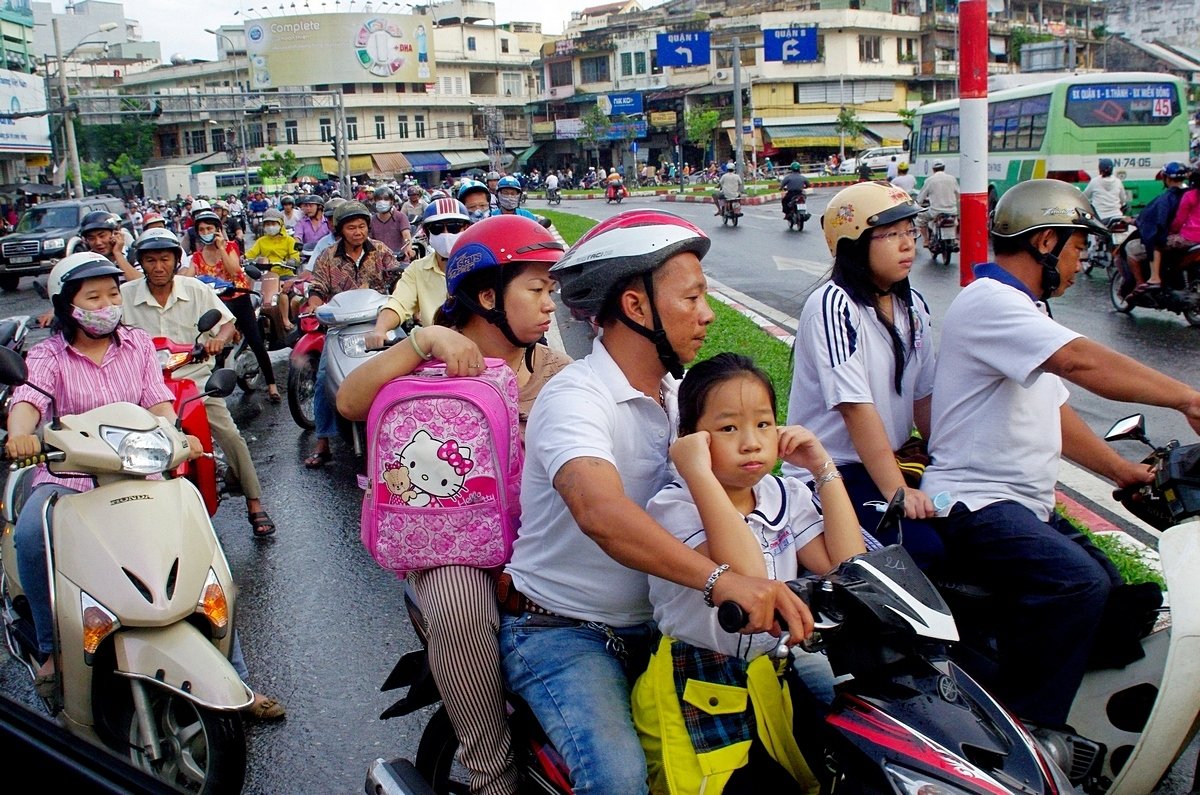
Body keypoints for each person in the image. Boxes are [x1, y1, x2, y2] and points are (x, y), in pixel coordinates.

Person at [498, 210, 812, 793]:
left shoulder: (679, 398)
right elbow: (600, 512)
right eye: (691, 297)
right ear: (637, 308)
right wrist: (721, 580)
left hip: (666, 627)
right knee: (619, 780)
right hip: (564, 631)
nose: (707, 314)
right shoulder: (576, 397)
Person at [922, 179, 1200, 730]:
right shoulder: (991, 303)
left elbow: (1056, 413)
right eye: (1077, 248)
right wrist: (1188, 396)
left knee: (1124, 600)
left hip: (1019, 506)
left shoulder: (1027, 313)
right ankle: (1029, 736)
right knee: (1078, 583)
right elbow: (1082, 363)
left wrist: (1124, 472)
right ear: (1046, 241)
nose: (1081, 263)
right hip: (974, 504)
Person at [339, 215, 571, 795]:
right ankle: (492, 776)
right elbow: (349, 401)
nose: (550, 306)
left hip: (540, 541)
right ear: (489, 296)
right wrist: (422, 341)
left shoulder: (557, 372)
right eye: (537, 291)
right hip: (455, 550)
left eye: (553, 292)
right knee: (459, 605)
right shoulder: (427, 362)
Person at [632, 353, 865, 792]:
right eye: (727, 429)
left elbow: (847, 565)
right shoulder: (674, 506)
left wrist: (822, 467)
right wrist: (696, 471)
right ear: (692, 437)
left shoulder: (783, 493)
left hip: (767, 679)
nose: (752, 443)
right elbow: (748, 581)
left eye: (763, 424)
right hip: (695, 685)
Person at [786, 182, 943, 569]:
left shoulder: (913, 305)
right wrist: (897, 491)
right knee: (915, 555)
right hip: (831, 471)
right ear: (852, 244)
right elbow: (855, 408)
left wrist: (947, 461)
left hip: (892, 459)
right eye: (891, 234)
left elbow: (925, 398)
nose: (908, 244)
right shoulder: (834, 305)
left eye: (910, 231)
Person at [122, 229, 279, 538]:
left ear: (175, 261)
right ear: (141, 263)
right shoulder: (125, 295)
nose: (158, 267)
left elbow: (227, 323)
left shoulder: (195, 289)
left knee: (231, 435)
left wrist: (217, 342)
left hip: (196, 383)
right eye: (150, 260)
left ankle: (254, 502)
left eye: (164, 259)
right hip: (145, 388)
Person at [302, 201, 400, 468]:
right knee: (323, 379)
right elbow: (317, 287)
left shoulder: (381, 251)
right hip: (340, 328)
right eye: (351, 227)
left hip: (379, 323)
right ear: (340, 230)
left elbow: (397, 278)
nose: (357, 232)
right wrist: (314, 304)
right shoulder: (327, 256)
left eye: (362, 226)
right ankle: (323, 441)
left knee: (406, 368)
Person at [179, 209, 281, 403]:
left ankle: (272, 386)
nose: (206, 232)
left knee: (256, 342)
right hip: (214, 304)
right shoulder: (197, 257)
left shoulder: (231, 247)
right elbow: (186, 280)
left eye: (210, 228)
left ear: (218, 230)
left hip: (238, 299)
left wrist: (222, 247)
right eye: (202, 229)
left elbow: (235, 271)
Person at [366, 198, 471, 349]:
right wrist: (380, 329)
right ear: (427, 233)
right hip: (435, 353)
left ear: (466, 228)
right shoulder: (417, 269)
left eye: (454, 227)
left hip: (484, 351)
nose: (446, 234)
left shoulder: (482, 265)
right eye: (437, 228)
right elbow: (399, 303)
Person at [1127, 161, 1189, 292]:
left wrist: (1136, 221)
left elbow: (1154, 222)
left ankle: (1145, 282)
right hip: (1192, 237)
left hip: (1180, 237)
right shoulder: (1191, 195)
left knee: (1136, 247)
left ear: (1166, 178)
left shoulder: (1166, 199)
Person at [80, 211, 138, 282]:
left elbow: (140, 284)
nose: (98, 242)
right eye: (91, 238)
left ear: (115, 234)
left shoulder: (134, 256)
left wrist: (118, 254)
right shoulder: (86, 263)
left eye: (102, 236)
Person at [916, 160, 959, 249]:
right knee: (955, 222)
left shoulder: (930, 180)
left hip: (935, 211)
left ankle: (926, 240)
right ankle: (954, 239)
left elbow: (920, 198)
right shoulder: (952, 179)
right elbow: (958, 193)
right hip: (952, 211)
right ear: (944, 168)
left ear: (933, 169)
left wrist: (917, 204)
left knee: (920, 219)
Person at [369, 185, 413, 259]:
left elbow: (406, 235)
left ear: (391, 202)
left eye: (386, 199)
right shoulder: (372, 220)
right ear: (375, 201)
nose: (382, 201)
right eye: (379, 199)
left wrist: (408, 248)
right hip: (379, 261)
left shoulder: (400, 217)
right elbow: (369, 241)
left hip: (399, 260)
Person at [1082, 158, 1130, 225]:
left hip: (1100, 218)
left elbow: (1084, 197)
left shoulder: (1094, 182)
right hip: (1117, 217)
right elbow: (1123, 200)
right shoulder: (1118, 182)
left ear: (1100, 169)